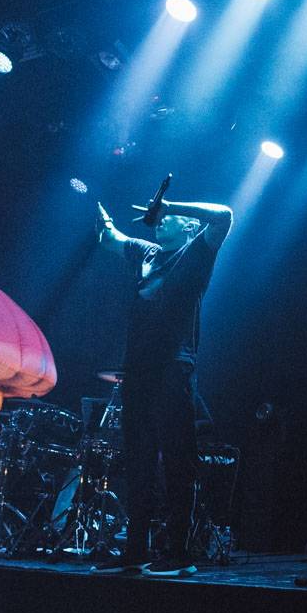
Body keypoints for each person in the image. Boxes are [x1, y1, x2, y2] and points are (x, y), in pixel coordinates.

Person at [92, 193, 232, 576]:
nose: (160, 220)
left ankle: (179, 552)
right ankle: (134, 549)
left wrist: (172, 206)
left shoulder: (196, 252)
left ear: (187, 226)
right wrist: (97, 211)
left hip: (174, 366)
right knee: (137, 459)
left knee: (176, 459)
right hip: (136, 370)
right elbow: (111, 238)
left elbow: (224, 214)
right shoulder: (145, 251)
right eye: (161, 216)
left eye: (169, 218)